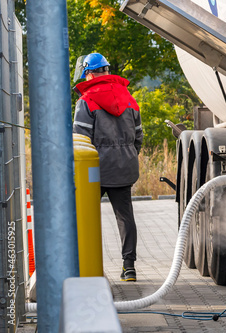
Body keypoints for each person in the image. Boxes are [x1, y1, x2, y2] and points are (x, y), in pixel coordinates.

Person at [73, 53, 143, 282]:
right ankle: (129, 267)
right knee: (125, 216)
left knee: (82, 216)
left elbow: (80, 140)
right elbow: (139, 136)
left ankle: (83, 265)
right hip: (124, 166)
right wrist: (128, 154)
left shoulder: (86, 101)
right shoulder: (128, 98)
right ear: (107, 71)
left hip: (94, 169)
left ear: (89, 73)